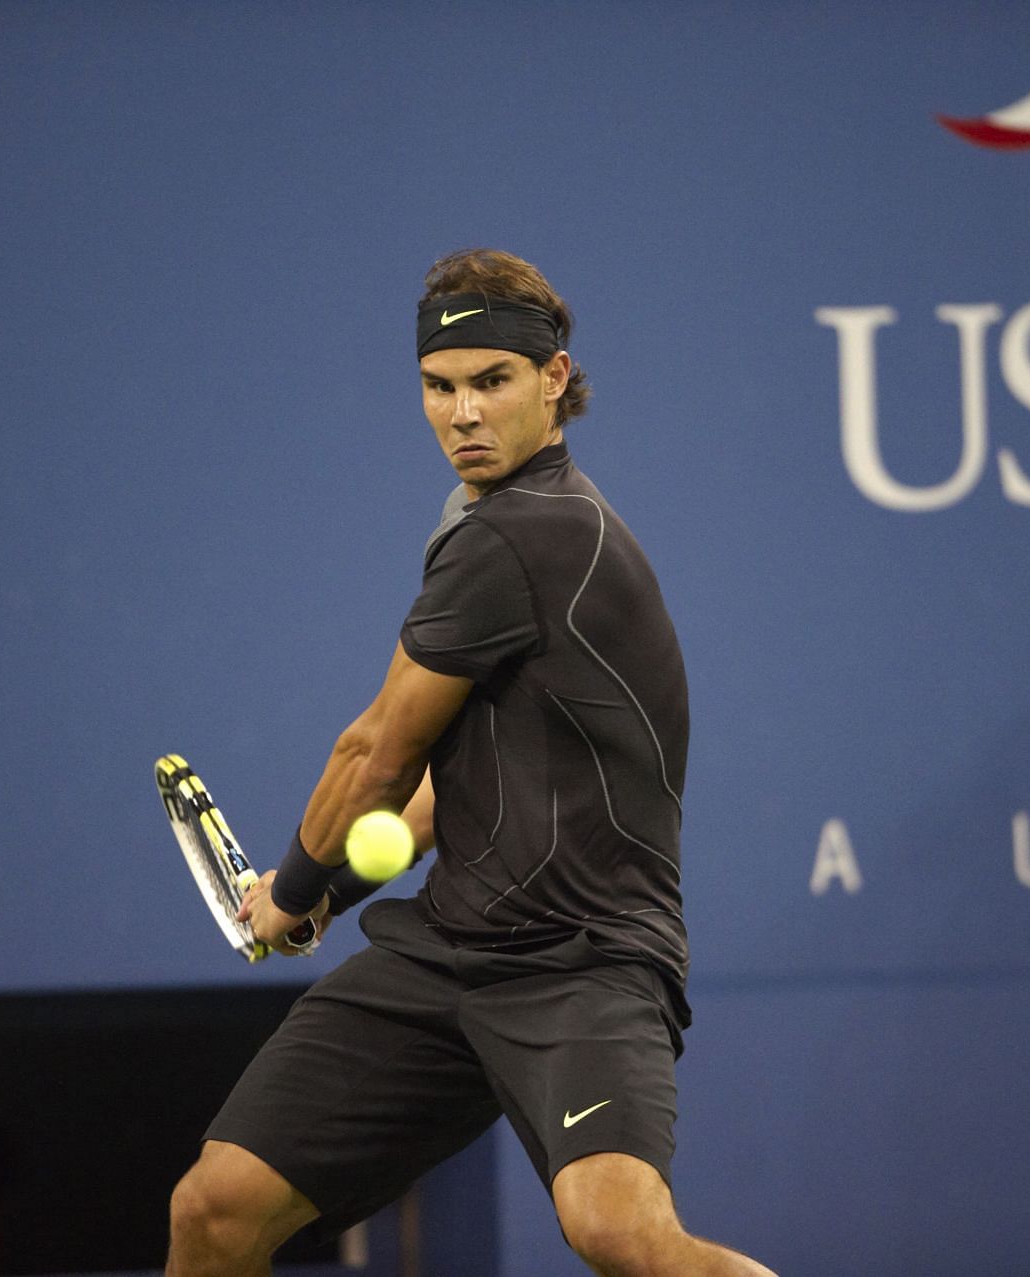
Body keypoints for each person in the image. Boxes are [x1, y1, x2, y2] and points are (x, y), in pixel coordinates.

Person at [165, 250, 774, 1277]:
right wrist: (338, 889)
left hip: (583, 959)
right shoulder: (476, 520)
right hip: (449, 949)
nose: (462, 414)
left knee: (619, 1231)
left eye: (491, 381)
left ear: (554, 378)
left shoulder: (527, 533)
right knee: (216, 1207)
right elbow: (448, 787)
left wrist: (294, 891)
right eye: (438, 387)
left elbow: (376, 751)